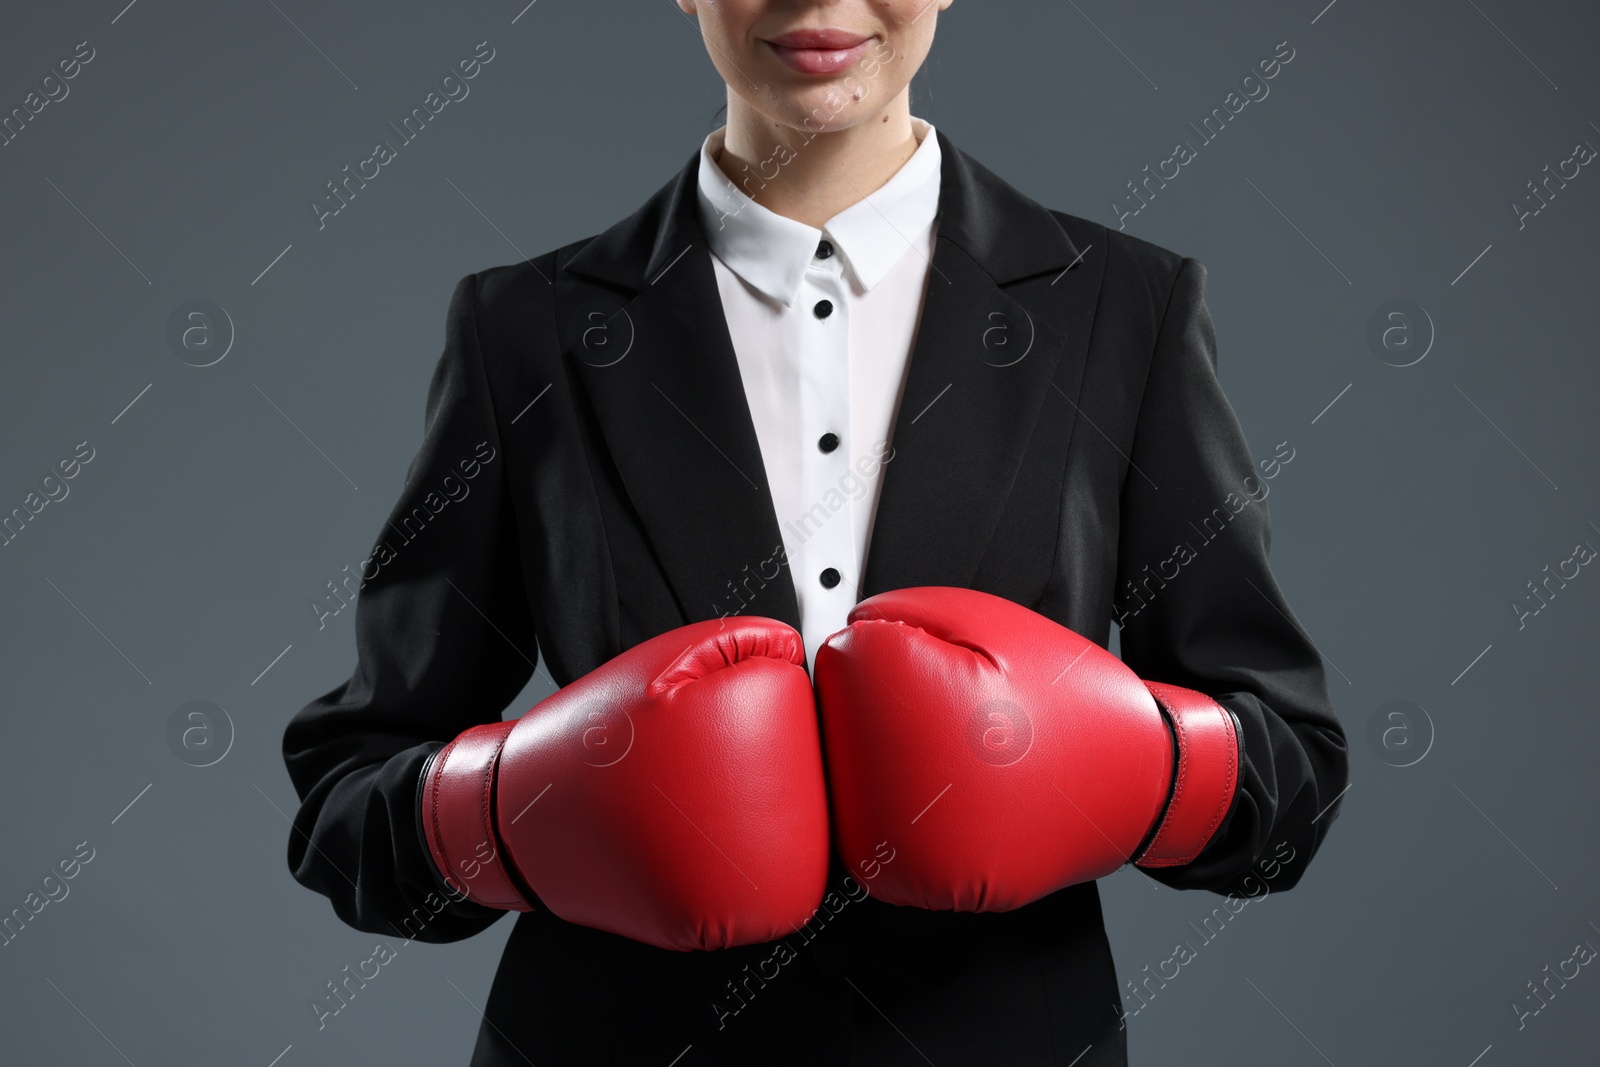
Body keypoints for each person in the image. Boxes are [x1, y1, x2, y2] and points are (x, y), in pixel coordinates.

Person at [281, 2, 1349, 1064]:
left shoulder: (1124, 307)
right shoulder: (524, 331)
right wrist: (519, 813)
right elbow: (351, 794)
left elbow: (1290, 774)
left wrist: (1140, 770)